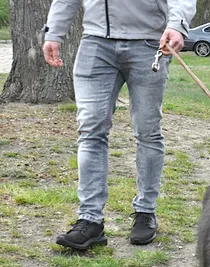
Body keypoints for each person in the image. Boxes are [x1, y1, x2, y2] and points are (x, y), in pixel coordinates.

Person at [42, 0, 196, 250]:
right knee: (90, 131)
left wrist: (177, 25)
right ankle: (90, 219)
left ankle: (145, 211)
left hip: (149, 43)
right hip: (95, 42)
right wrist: (54, 32)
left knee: (147, 132)